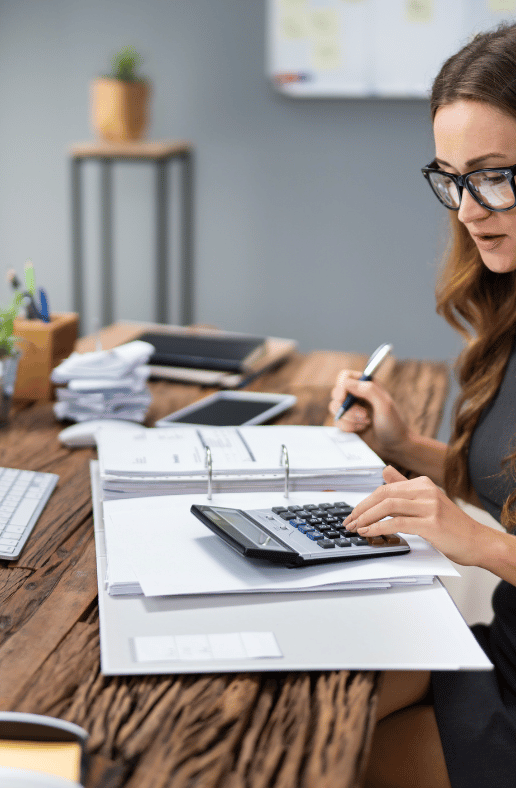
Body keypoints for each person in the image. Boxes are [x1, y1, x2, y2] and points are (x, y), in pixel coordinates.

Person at [329, 22, 516, 788]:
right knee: (293, 693)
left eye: (495, 174)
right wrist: (409, 447)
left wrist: (477, 546)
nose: (469, 209)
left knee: (318, 760)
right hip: (502, 646)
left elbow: (496, 535)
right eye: (451, 177)